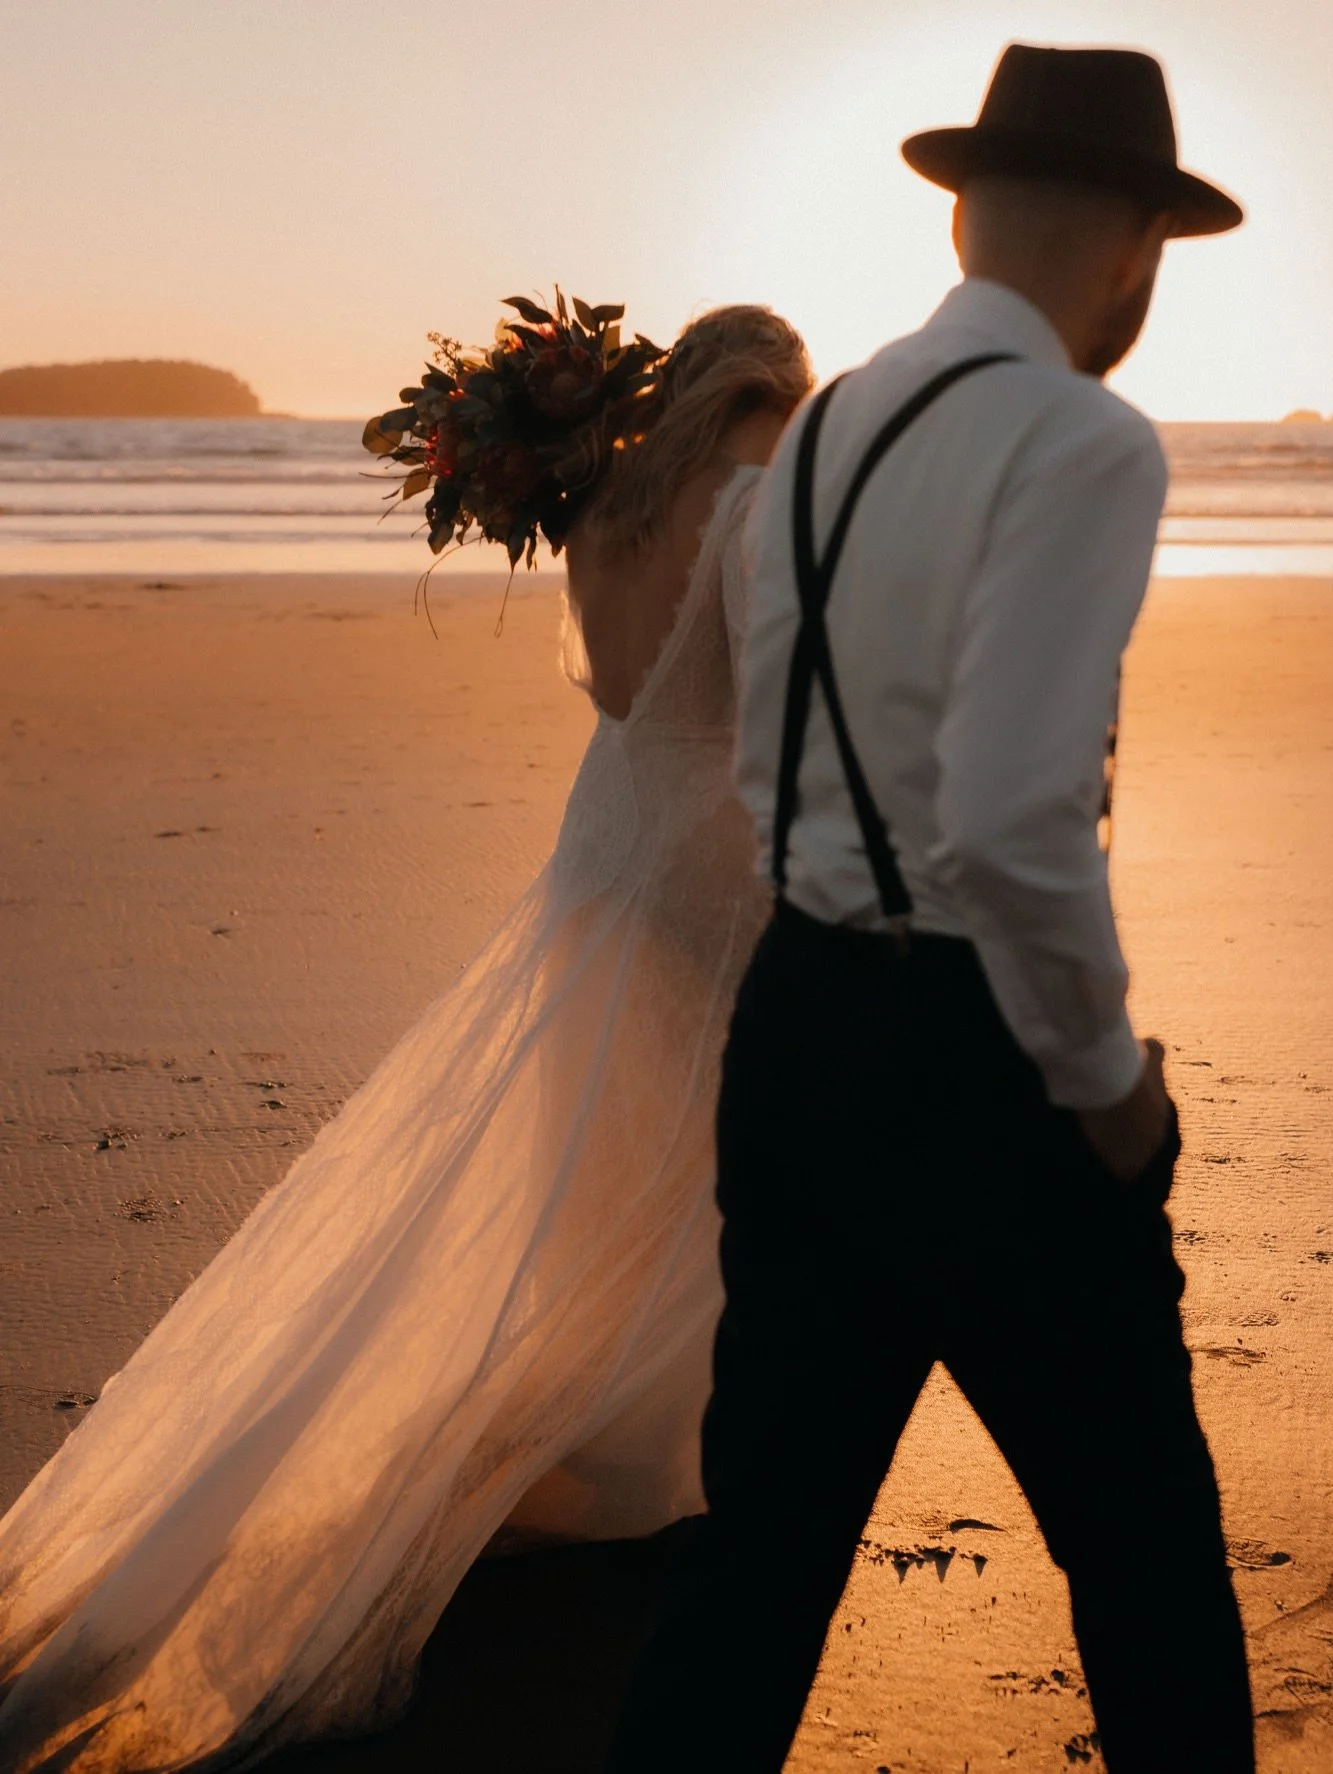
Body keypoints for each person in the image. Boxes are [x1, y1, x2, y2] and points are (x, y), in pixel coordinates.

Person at [0, 305, 812, 1771]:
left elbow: (612, 688)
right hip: (706, 863)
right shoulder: (752, 500)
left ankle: (590, 1441)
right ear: (769, 393)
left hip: (605, 835)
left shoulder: (609, 498)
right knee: (693, 1165)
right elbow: (769, 705)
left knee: (597, 1155)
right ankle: (637, 1462)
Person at [604, 45, 1256, 1774]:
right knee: (1151, 1579)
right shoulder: (1084, 438)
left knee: (753, 1576)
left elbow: (771, 755)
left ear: (962, 211)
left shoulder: (816, 436)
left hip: (793, 1024)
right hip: (978, 1067)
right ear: (1138, 246)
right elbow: (1016, 815)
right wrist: (1112, 1090)